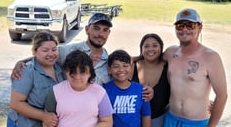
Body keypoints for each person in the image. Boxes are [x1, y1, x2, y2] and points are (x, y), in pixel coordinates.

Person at [10, 12, 154, 100]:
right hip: (67, 113)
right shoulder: (69, 51)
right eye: (96, 28)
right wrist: (22, 62)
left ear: (109, 33)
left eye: (105, 30)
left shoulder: (110, 62)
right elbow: (46, 54)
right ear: (87, 29)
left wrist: (145, 90)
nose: (100, 34)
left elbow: (123, 81)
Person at [160, 8, 227, 127]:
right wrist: (131, 59)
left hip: (197, 126)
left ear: (199, 27)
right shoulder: (170, 53)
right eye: (180, 25)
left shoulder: (210, 57)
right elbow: (149, 61)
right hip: (172, 120)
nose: (184, 29)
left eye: (189, 25)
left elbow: (222, 95)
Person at [42, 50, 113, 127]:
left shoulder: (99, 92)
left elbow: (107, 122)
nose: (77, 77)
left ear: (90, 73)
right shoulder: (55, 91)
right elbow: (47, 121)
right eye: (72, 73)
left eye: (83, 72)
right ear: (66, 72)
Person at [7, 32, 66, 127]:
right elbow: (15, 103)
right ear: (35, 51)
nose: (50, 54)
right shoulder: (27, 71)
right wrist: (43, 116)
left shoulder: (60, 68)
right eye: (45, 50)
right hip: (23, 126)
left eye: (54, 49)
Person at [99, 50, 151, 127]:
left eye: (125, 65)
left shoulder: (140, 90)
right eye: (116, 66)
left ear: (131, 68)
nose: (121, 70)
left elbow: (146, 116)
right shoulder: (104, 91)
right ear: (109, 70)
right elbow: (99, 120)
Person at [132, 34, 170, 127]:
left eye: (155, 45)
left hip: (158, 123)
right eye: (146, 46)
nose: (150, 49)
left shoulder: (169, 67)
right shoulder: (131, 66)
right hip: (135, 124)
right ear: (141, 49)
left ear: (161, 48)